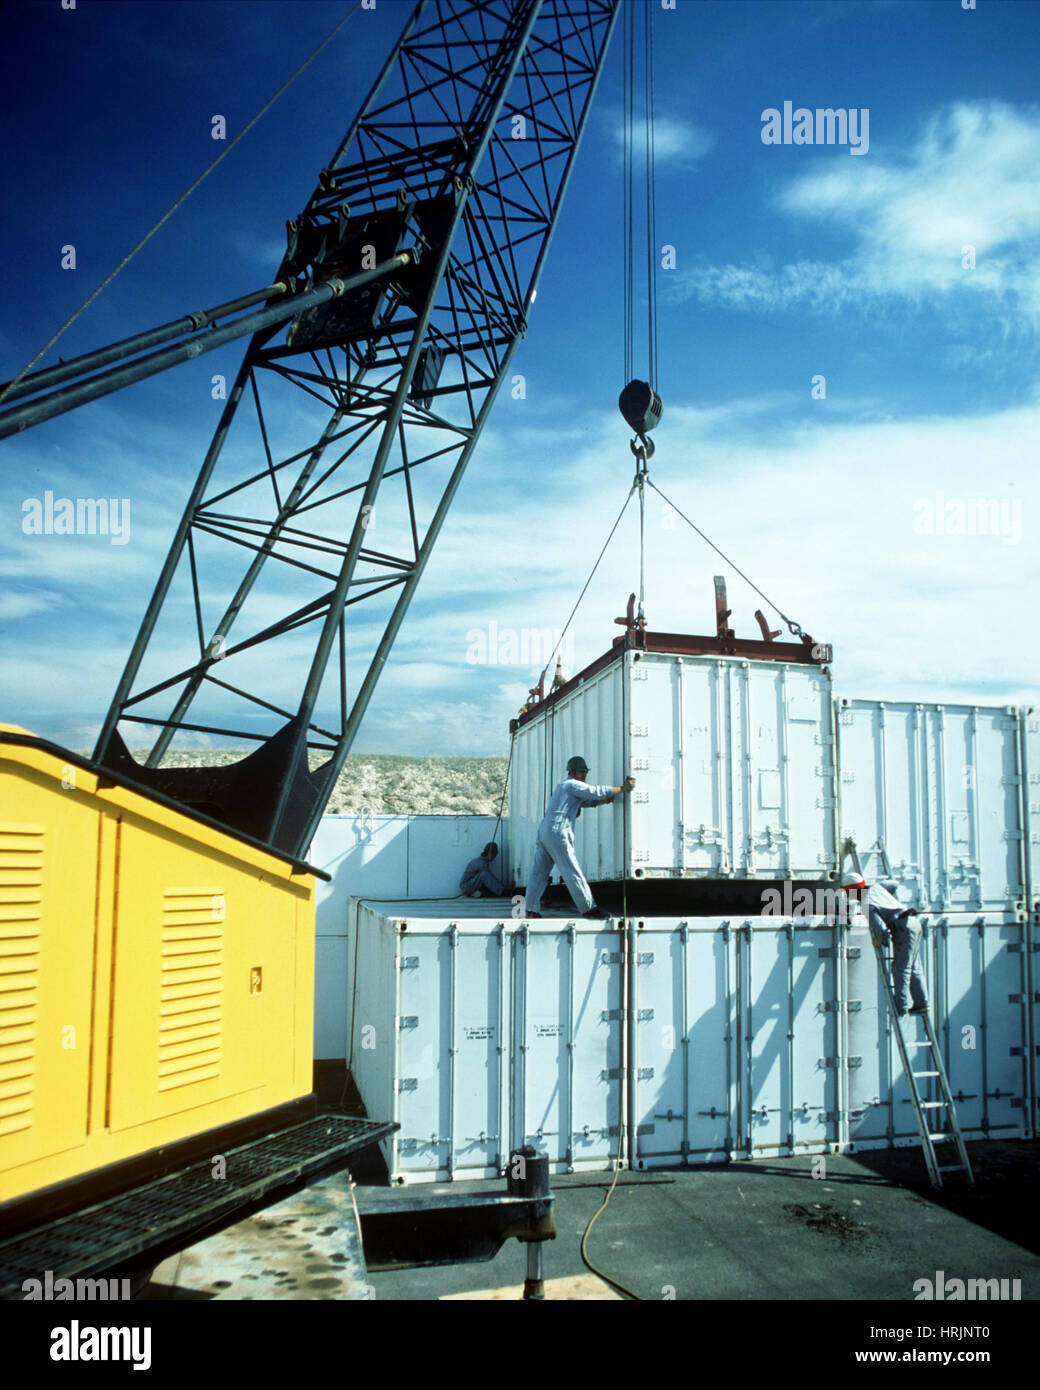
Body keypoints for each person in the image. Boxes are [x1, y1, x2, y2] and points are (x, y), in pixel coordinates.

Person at [524, 755, 635, 920]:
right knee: (572, 870)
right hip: (557, 831)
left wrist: (606, 800)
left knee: (539, 872)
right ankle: (589, 909)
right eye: (582, 773)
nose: (584, 776)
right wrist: (622, 788)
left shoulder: (564, 787)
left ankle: (531, 909)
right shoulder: (572, 785)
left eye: (585, 773)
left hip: (545, 830)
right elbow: (595, 792)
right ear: (572, 772)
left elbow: (587, 801)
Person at [841, 869, 929, 1016]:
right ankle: (921, 1003)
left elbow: (880, 929)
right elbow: (894, 884)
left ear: (853, 890)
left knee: (900, 968)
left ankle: (901, 1006)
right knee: (914, 967)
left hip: (903, 928)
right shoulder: (877, 887)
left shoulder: (866, 904)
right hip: (914, 922)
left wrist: (881, 941)